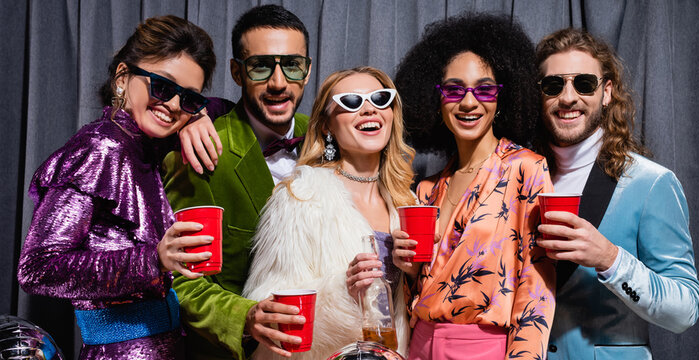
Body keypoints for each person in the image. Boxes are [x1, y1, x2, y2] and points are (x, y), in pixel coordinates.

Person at [17, 15, 218, 359]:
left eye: (188, 99)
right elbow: (37, 268)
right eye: (163, 87)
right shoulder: (99, 149)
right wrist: (153, 260)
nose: (172, 106)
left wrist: (198, 116)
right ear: (123, 77)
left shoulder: (143, 148)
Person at [393, 13, 556, 359]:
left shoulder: (525, 170)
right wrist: (406, 271)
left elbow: (537, 286)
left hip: (484, 349)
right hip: (418, 346)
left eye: (484, 89)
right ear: (436, 100)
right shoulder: (426, 190)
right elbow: (418, 293)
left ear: (501, 99)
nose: (469, 102)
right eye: (454, 89)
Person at [533, 28, 699, 360]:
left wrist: (610, 259)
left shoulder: (650, 183)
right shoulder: (519, 177)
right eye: (554, 85)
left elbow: (685, 310)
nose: (568, 97)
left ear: (606, 92)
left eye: (583, 84)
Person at [161, 4, 313, 359]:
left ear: (306, 72)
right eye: (261, 66)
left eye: (291, 65)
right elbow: (181, 279)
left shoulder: (328, 139)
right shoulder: (201, 153)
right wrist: (244, 317)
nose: (278, 83)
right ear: (237, 72)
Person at [243, 66, 415, 359]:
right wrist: (342, 289)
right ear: (327, 126)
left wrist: (413, 273)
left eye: (381, 98)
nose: (369, 110)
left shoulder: (407, 201)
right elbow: (269, 307)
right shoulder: (301, 196)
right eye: (351, 102)